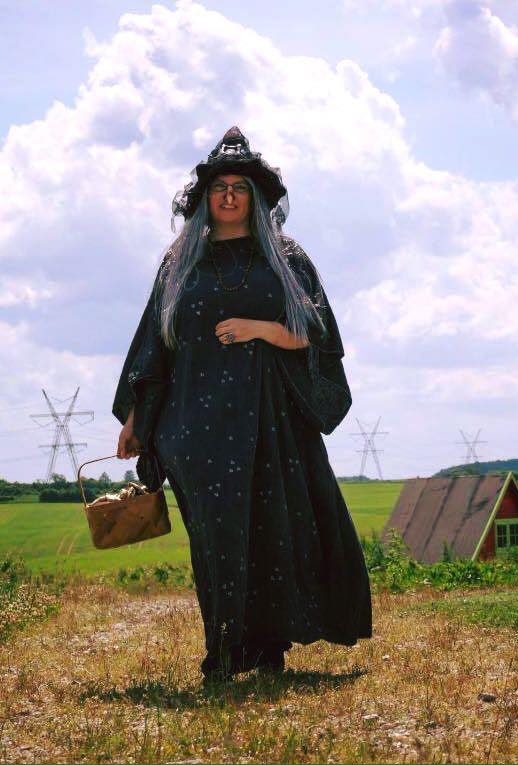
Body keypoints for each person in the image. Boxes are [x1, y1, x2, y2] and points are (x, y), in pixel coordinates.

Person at [112, 126, 372, 683]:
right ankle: (226, 649)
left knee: (272, 529)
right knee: (215, 538)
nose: (228, 196)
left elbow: (317, 335)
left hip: (270, 419)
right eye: (219, 187)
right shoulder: (179, 262)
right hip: (193, 424)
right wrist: (136, 418)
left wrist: (261, 329)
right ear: (203, 197)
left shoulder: (286, 259)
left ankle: (268, 648)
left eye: (239, 188)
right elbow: (154, 345)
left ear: (255, 197)